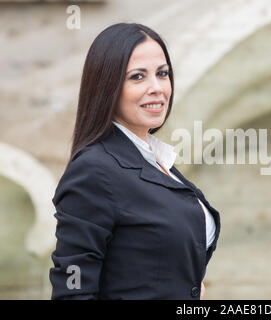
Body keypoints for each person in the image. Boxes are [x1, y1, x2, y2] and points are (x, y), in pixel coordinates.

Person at [49, 23, 221, 300]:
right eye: (138, 77)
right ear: (108, 87)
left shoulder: (158, 160)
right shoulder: (94, 170)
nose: (157, 88)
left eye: (162, 74)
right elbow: (73, 291)